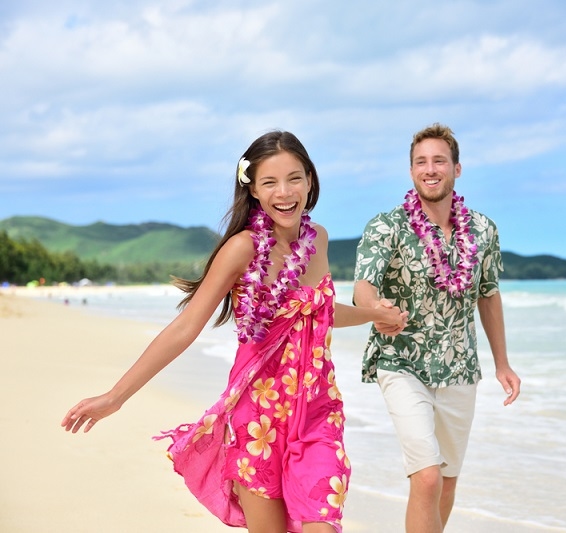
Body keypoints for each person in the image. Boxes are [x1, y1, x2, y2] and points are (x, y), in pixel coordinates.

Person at [62, 130, 408, 533]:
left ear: (310, 180)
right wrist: (115, 397)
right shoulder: (242, 249)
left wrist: (372, 315)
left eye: (295, 177)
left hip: (317, 413)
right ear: (254, 190)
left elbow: (319, 311)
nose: (284, 191)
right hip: (256, 419)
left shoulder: (320, 240)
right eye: (269, 182)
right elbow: (186, 327)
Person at [353, 123, 521, 533]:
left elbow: (488, 294)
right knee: (426, 476)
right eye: (421, 162)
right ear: (411, 171)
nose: (430, 169)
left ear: (456, 169)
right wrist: (376, 309)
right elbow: (362, 287)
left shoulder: (483, 230)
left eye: (439, 161)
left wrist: (502, 363)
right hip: (401, 360)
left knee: (445, 483)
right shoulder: (387, 226)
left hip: (460, 366)